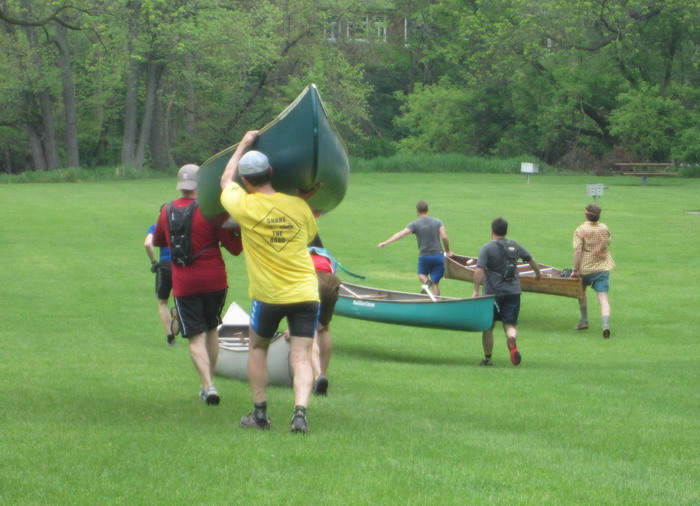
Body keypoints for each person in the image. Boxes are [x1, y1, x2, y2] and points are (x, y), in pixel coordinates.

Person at [220, 130, 320, 434]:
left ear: (246, 181)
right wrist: (295, 203)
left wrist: (242, 145)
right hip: (305, 290)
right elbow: (306, 238)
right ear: (271, 173)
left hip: (269, 295)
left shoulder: (243, 206)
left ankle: (260, 414)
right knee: (302, 354)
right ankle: (300, 413)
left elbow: (225, 181)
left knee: (258, 348)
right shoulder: (299, 206)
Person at [153, 164, 242, 406]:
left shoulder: (166, 211)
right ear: (200, 184)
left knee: (194, 336)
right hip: (215, 279)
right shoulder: (210, 211)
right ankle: (208, 382)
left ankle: (208, 385)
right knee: (212, 328)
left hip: (184, 282)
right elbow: (235, 249)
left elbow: (161, 240)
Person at [472, 217, 541, 366]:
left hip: (493, 293)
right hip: (513, 292)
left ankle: (488, 359)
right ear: (505, 231)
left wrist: (476, 290)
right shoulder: (514, 245)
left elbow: (479, 270)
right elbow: (531, 260)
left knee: (488, 327)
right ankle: (512, 339)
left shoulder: (487, 248)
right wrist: (537, 274)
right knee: (510, 324)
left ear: (492, 231)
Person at [377, 200, 453, 296]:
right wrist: (448, 251)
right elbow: (444, 237)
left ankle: (426, 282)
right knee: (435, 283)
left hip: (425, 256)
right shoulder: (438, 222)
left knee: (421, 275)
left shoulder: (415, 224)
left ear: (417, 211)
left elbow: (401, 234)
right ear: (428, 209)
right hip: (438, 255)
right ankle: (436, 304)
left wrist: (386, 242)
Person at [571, 203, 615, 338]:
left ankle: (584, 320)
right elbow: (608, 242)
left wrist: (575, 270)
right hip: (602, 267)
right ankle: (605, 324)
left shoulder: (581, 229)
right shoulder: (604, 227)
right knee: (603, 298)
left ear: (586, 214)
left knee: (581, 293)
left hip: (585, 268)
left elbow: (578, 250)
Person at [307, 234, 342, 397]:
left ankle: (316, 376)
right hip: (330, 280)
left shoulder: (296, 250)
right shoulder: (324, 254)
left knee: (307, 329)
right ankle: (323, 374)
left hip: (309, 278)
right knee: (323, 328)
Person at [144, 223, 176, 345]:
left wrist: (154, 262)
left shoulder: (156, 226)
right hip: (182, 265)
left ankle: (170, 338)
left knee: (163, 302)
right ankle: (179, 313)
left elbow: (147, 244)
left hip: (165, 265)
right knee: (185, 299)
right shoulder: (183, 222)